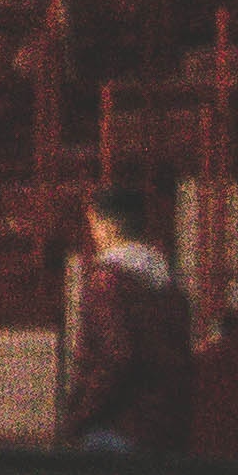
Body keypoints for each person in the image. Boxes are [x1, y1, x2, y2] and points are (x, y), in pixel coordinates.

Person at [67, 183, 192, 451]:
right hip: (165, 425)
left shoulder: (108, 281)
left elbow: (116, 355)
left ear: (107, 225)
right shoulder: (169, 283)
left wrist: (80, 415)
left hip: (116, 427)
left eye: (94, 224)